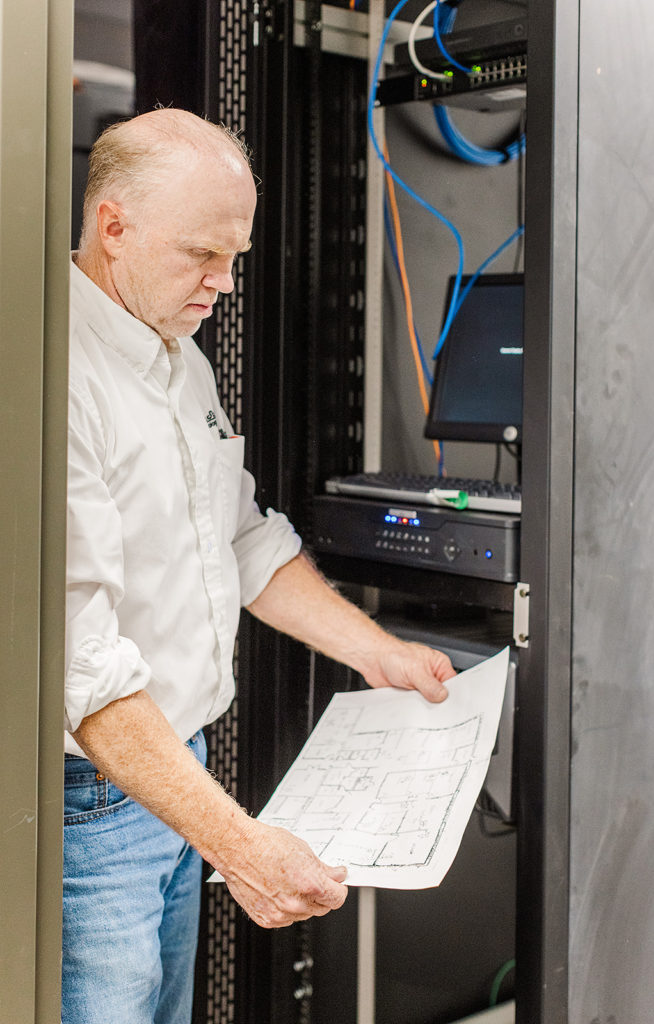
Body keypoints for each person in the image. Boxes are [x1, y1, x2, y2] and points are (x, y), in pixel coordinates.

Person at [63, 107, 454, 1024]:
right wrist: (238, 845)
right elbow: (76, 663)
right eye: (203, 254)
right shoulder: (54, 376)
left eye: (232, 256)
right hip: (90, 802)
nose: (222, 284)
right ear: (113, 227)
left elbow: (238, 537)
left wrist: (374, 651)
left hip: (173, 774)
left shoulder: (176, 355)